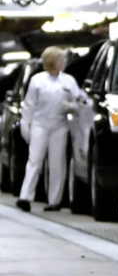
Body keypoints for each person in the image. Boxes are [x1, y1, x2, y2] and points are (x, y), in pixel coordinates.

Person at [17, 46, 83, 212]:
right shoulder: (37, 80)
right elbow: (29, 105)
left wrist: (71, 106)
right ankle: (25, 196)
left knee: (57, 163)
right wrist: (26, 126)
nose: (64, 62)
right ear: (52, 61)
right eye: (61, 59)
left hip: (59, 125)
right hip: (40, 124)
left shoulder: (69, 81)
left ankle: (54, 200)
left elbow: (80, 101)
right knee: (34, 160)